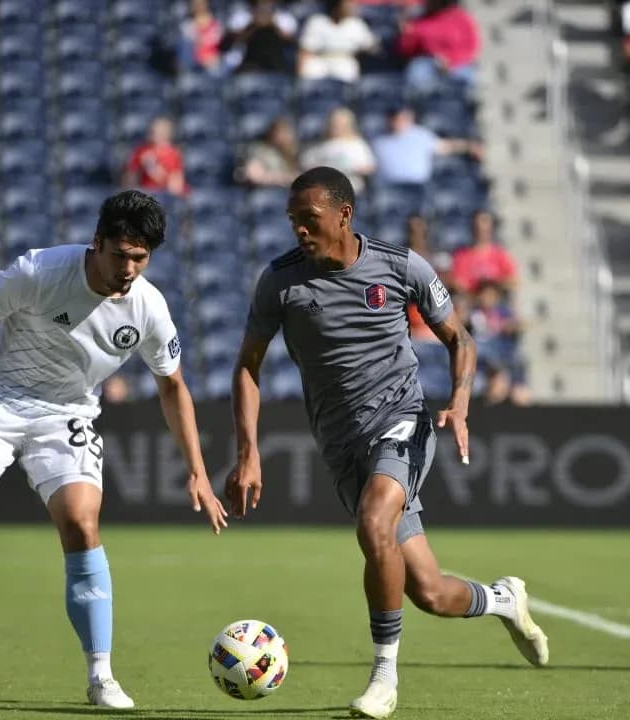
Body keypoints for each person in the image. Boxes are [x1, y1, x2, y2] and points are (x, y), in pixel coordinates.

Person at [226, 167, 547, 719]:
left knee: (375, 522)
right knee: (429, 592)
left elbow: (460, 338)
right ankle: (503, 599)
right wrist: (248, 452)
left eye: (310, 219)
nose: (299, 230)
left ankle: (384, 677)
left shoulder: (401, 267)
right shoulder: (279, 282)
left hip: (401, 420)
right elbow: (248, 367)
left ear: (344, 214)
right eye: (292, 221)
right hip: (340, 443)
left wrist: (460, 403)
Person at [0, 190, 227, 709]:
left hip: (66, 414)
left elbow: (172, 387)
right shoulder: (39, 272)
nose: (129, 269)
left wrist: (198, 473)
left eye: (141, 258)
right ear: (96, 243)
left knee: (81, 521)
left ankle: (101, 675)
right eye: (121, 255)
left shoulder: (148, 308)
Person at [300, 107, 376, 193]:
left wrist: (350, 168)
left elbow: (369, 167)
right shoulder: (318, 145)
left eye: (341, 124)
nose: (337, 127)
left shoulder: (357, 144)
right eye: (334, 124)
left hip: (351, 192)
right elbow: (307, 165)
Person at [298, 0, 376, 83]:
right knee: (310, 72)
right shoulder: (317, 21)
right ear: (336, 5)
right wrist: (299, 79)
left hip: (345, 60)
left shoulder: (357, 24)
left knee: (348, 74)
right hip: (320, 59)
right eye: (346, 4)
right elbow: (305, 51)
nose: (351, 7)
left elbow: (371, 47)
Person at [121, 117, 187, 197]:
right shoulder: (141, 151)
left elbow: (175, 186)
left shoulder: (173, 154)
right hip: (145, 195)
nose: (149, 135)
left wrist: (153, 167)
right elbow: (131, 178)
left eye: (153, 132)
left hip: (165, 196)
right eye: (150, 131)